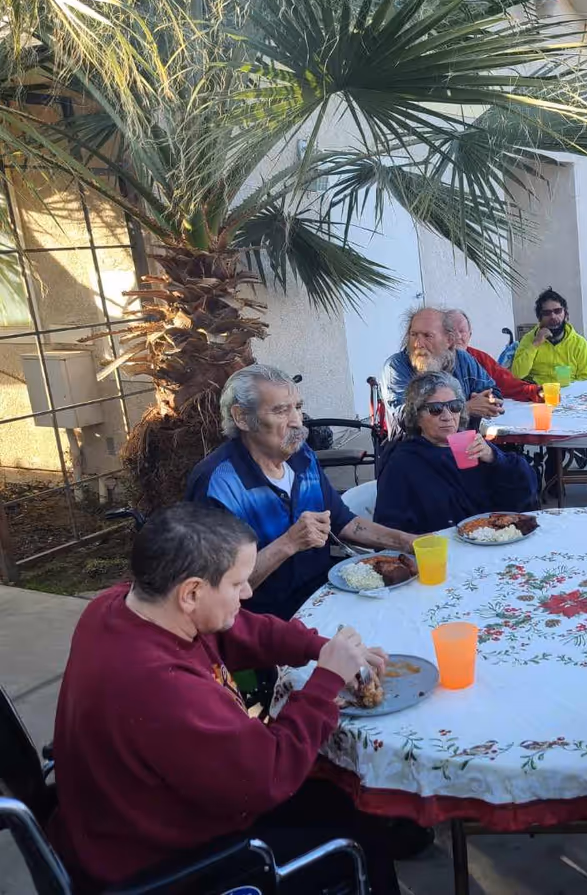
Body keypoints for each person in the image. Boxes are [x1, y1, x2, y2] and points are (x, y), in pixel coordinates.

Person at [49, 503, 412, 893]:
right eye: (238, 584)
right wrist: (325, 682)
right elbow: (270, 775)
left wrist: (319, 647)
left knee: (344, 791)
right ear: (191, 592)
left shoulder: (125, 605)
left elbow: (234, 629)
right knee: (361, 827)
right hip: (167, 865)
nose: (249, 591)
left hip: (141, 813)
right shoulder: (160, 687)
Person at [186, 364, 415, 620]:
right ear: (241, 417)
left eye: (297, 407)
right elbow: (218, 588)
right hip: (268, 622)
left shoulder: (301, 456)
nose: (297, 421)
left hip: (330, 598)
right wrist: (289, 543)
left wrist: (409, 542)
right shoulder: (216, 483)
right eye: (280, 411)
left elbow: (344, 522)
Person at [374, 372, 538, 534]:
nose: (447, 416)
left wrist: (495, 458)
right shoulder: (403, 461)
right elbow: (388, 528)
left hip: (492, 540)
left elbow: (525, 490)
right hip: (442, 550)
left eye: (455, 407)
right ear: (416, 415)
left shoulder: (474, 445)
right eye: (435, 409)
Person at [511, 288, 587, 502]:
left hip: (576, 399)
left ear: (565, 314)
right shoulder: (529, 340)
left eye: (557, 311)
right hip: (542, 399)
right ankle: (554, 481)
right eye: (547, 313)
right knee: (553, 434)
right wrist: (536, 344)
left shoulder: (578, 342)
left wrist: (568, 389)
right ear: (540, 318)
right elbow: (518, 373)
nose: (553, 317)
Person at [381, 307, 503, 431]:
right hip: (415, 446)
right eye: (414, 335)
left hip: (465, 443)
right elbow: (405, 418)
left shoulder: (463, 359)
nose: (418, 343)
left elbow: (493, 391)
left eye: (427, 336)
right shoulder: (396, 366)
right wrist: (466, 408)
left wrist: (489, 401)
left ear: (449, 340)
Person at [445, 308, 541, 402]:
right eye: (450, 331)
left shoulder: (479, 358)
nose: (457, 336)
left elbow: (507, 382)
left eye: (462, 331)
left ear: (470, 335)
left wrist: (537, 391)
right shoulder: (435, 361)